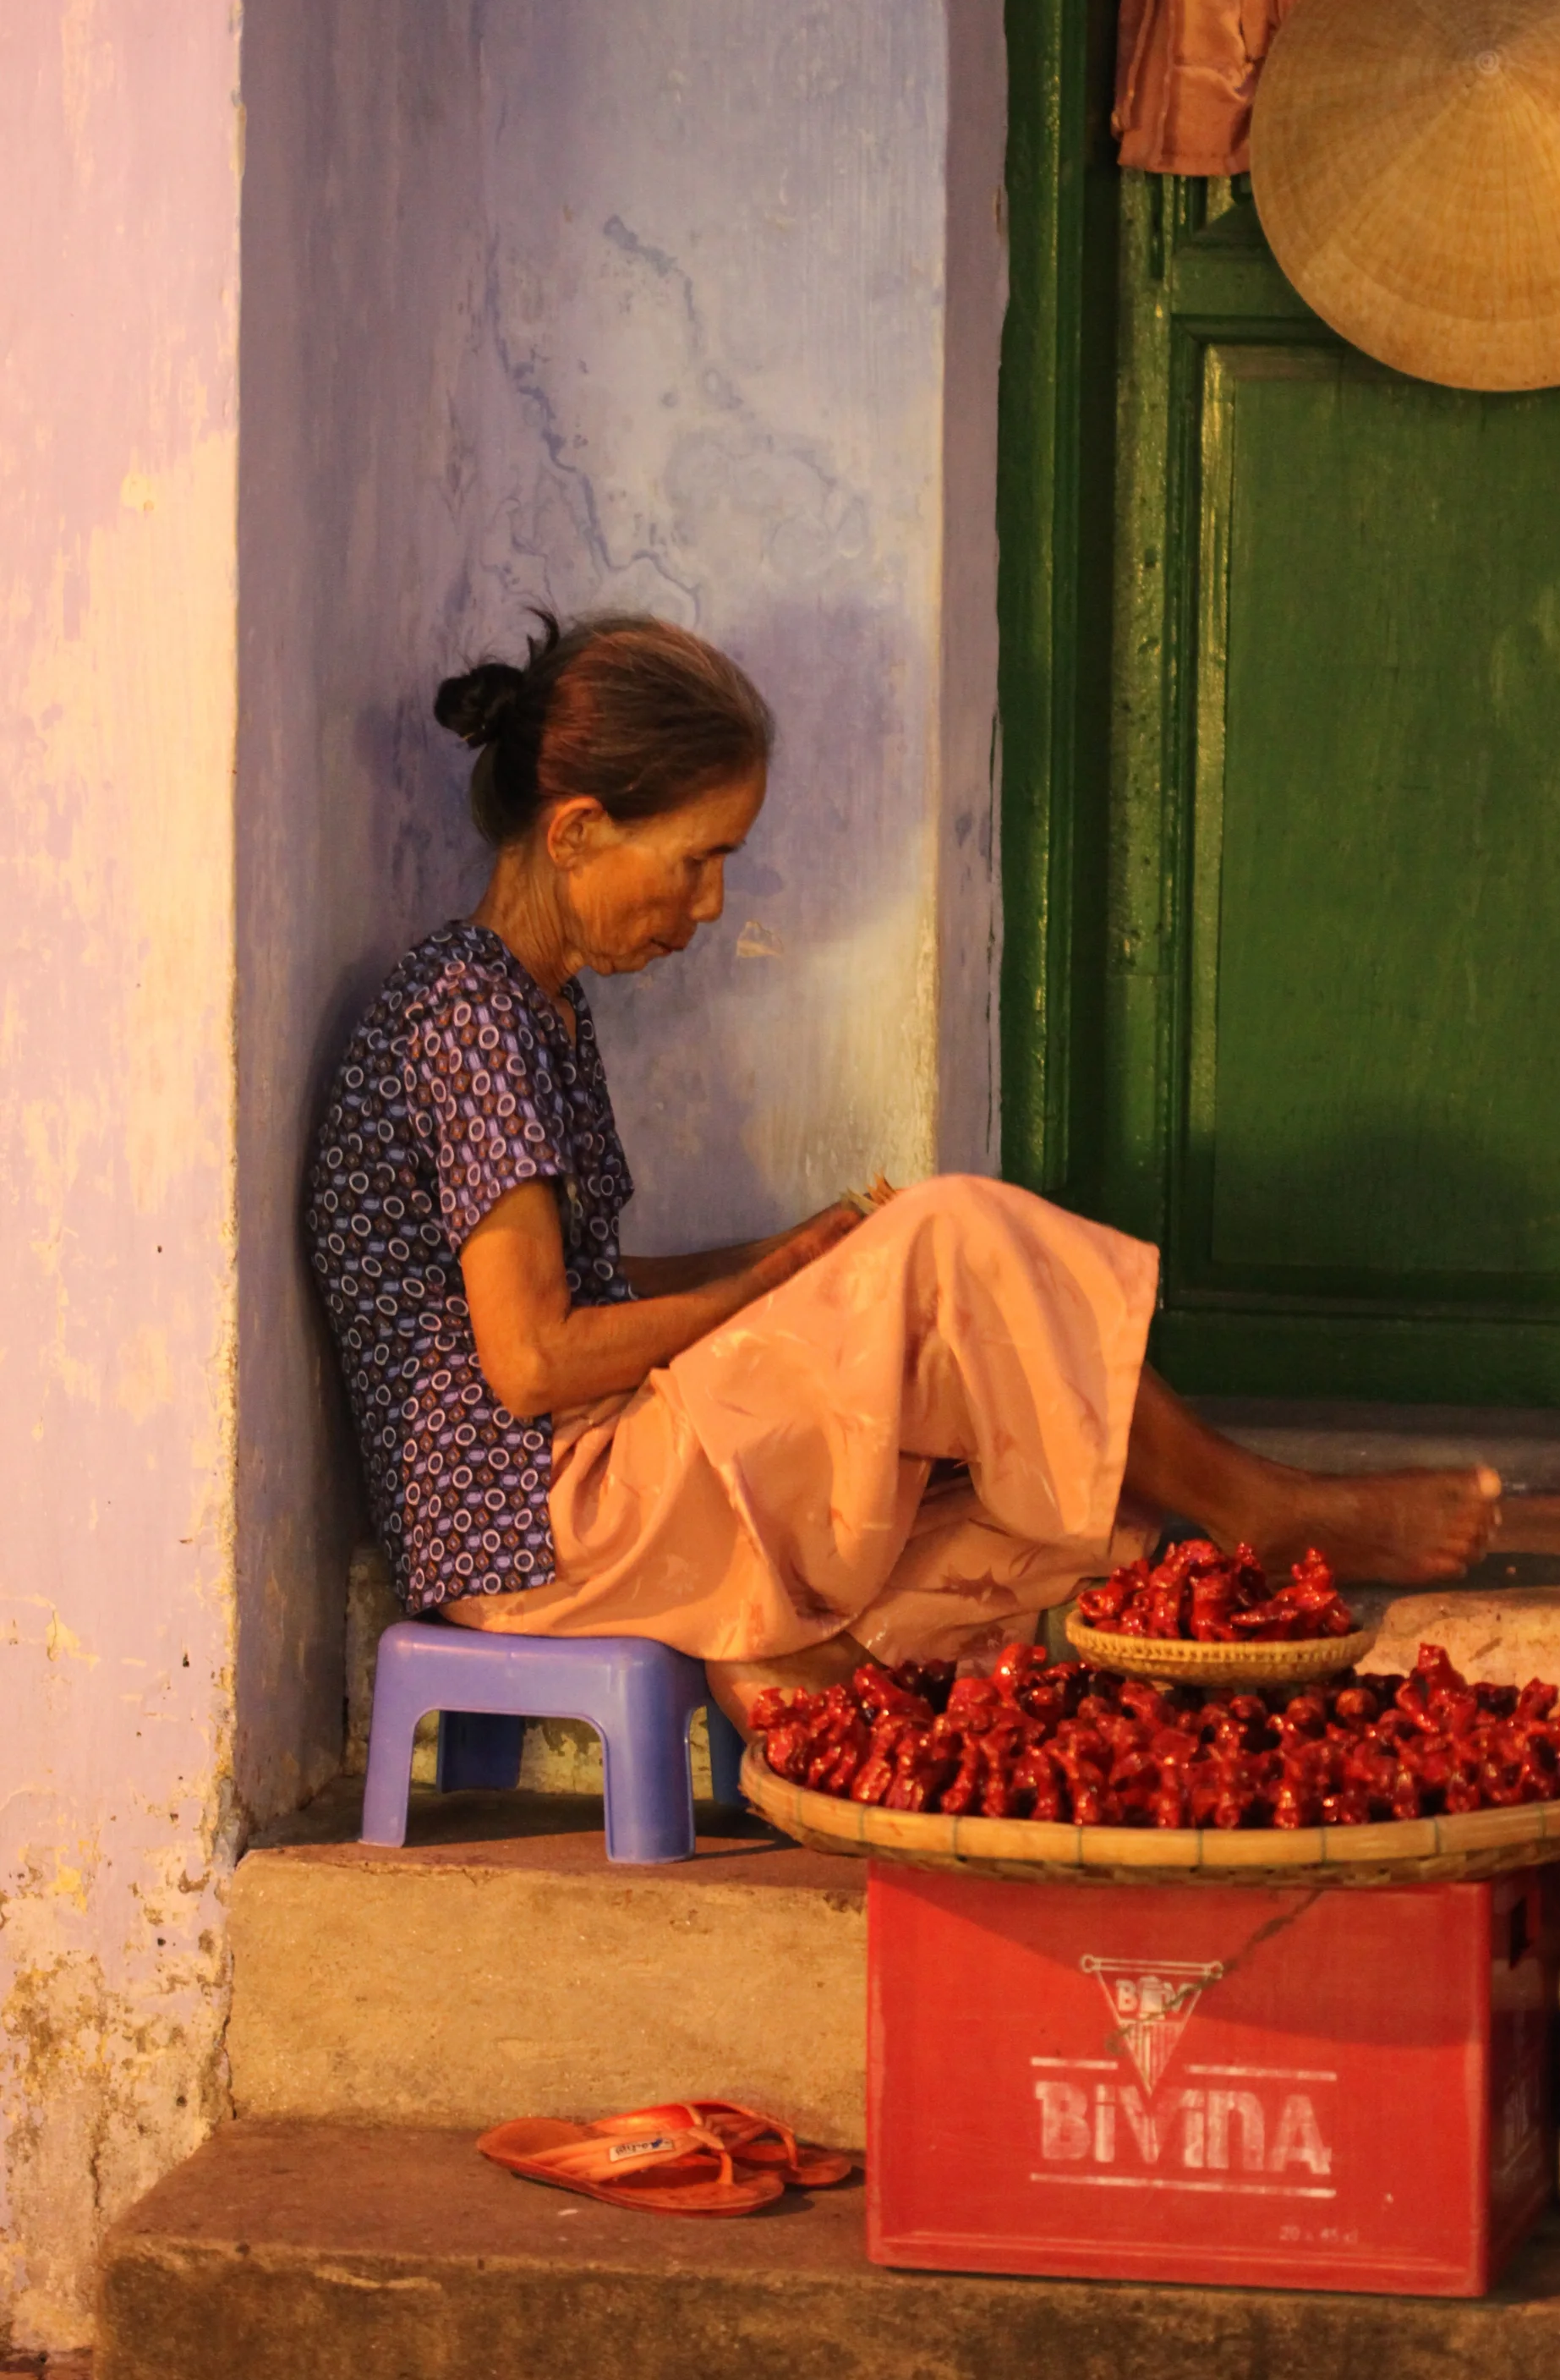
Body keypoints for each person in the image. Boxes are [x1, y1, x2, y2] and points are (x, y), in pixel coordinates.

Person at [306, 614, 1498, 1729]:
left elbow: (586, 1287)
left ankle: (780, 1649)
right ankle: (1263, 1506)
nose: (712, 904)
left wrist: (796, 1256)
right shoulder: (465, 1015)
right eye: (697, 859)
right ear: (575, 832)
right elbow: (531, 1364)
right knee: (954, 1238)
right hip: (539, 1530)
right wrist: (764, 1288)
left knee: (1044, 1489)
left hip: (584, 1494)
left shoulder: (535, 1009)